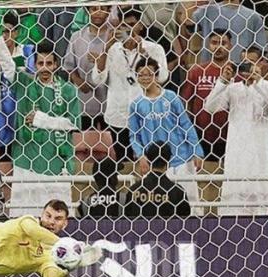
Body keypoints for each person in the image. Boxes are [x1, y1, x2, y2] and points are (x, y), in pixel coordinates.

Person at [0, 10, 81, 216]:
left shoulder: (68, 90)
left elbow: (73, 123)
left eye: (49, 63)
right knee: (24, 219)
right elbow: (8, 67)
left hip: (57, 163)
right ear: (34, 65)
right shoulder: (25, 82)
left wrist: (41, 120)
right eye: (40, 63)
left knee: (57, 222)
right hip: (26, 160)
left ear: (56, 65)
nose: (45, 68)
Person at [204, 55, 268, 216]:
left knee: (263, 195)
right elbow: (210, 107)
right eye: (244, 63)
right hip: (237, 150)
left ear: (262, 64)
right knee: (235, 196)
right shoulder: (233, 88)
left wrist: (258, 82)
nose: (248, 68)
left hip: (262, 152)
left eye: (252, 63)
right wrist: (223, 82)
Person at [91, 6, 168, 162]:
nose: (129, 29)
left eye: (133, 24)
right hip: (118, 117)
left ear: (140, 26)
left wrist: (143, 54)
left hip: (146, 115)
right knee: (123, 162)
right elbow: (97, 79)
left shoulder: (154, 48)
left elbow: (162, 78)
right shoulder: (112, 50)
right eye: (125, 25)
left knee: (148, 160)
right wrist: (105, 49)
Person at [129, 57, 204, 215]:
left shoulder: (171, 97)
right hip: (155, 165)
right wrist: (141, 156)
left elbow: (186, 124)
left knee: (192, 207)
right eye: (141, 75)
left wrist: (197, 150)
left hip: (182, 159)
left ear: (156, 76)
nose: (145, 78)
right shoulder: (136, 105)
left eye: (149, 74)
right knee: (161, 209)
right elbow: (133, 136)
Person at [0, 11, 36, 162]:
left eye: (8, 31)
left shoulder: (27, 51)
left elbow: (33, 83)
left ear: (16, 32)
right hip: (1, 122)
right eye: (2, 31)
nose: (5, 35)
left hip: (25, 117)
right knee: (5, 165)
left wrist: (10, 63)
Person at [181, 28, 232, 162]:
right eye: (214, 43)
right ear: (209, 45)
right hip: (201, 134)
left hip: (230, 134)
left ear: (231, 45)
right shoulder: (197, 71)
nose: (218, 47)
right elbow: (186, 102)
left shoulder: (235, 73)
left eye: (223, 43)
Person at [63, 6, 112, 130]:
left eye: (102, 9)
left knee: (109, 146)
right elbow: (69, 66)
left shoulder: (113, 38)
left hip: (110, 103)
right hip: (83, 104)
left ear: (109, 11)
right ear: (87, 11)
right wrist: (78, 81)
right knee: (83, 146)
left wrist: (100, 61)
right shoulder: (76, 37)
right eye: (94, 9)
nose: (98, 13)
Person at [123, 142, 191, 218]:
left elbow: (126, 220)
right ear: (168, 163)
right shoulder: (178, 192)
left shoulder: (134, 190)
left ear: (148, 161)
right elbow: (185, 222)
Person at [192, 0, 268, 64]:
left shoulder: (253, 17)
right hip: (210, 70)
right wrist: (192, 4)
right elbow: (188, 24)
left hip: (239, 71)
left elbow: (260, 49)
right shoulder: (206, 10)